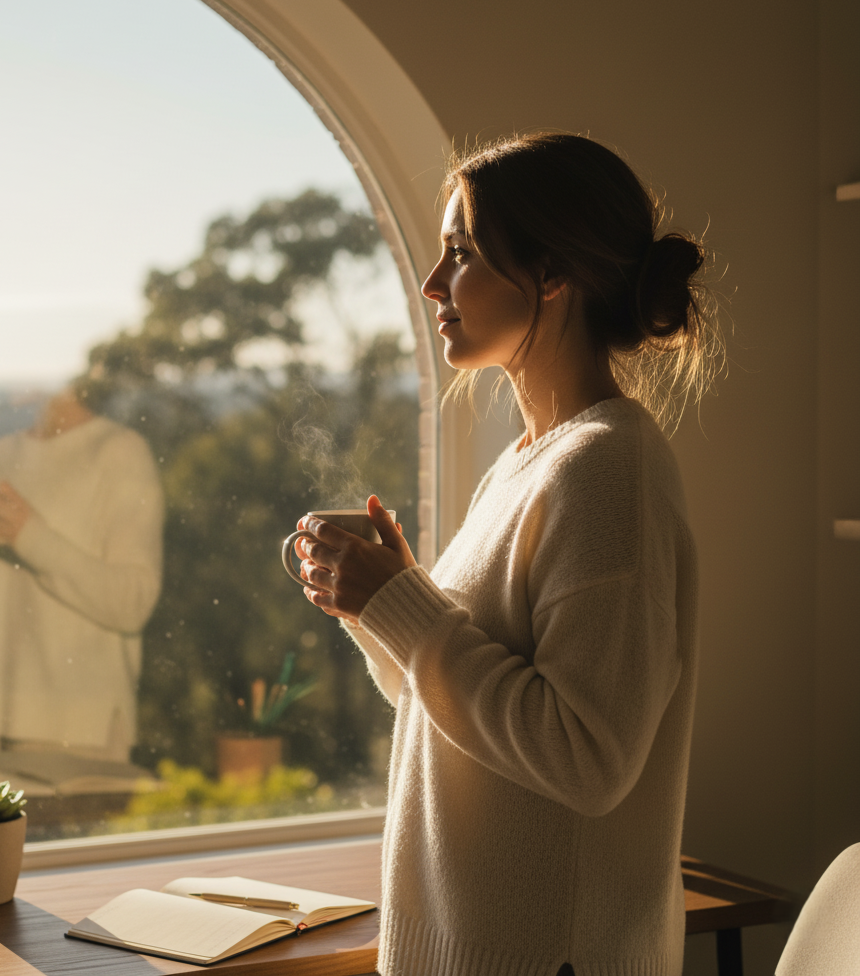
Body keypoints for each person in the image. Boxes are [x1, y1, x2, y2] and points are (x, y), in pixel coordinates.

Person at [291, 132, 722, 975]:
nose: (431, 282)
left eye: (461, 253)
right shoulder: (532, 460)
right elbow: (457, 711)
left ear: (553, 275)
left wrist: (408, 611)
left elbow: (586, 758)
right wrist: (377, 605)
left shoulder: (607, 469)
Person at [0, 385, 164, 763]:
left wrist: (28, 536)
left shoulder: (120, 450)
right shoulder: (0, 453)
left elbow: (134, 602)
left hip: (74, 729)